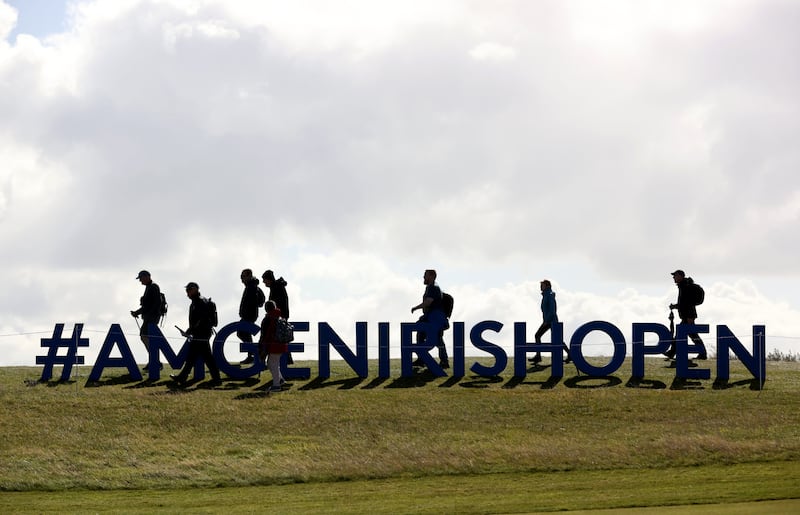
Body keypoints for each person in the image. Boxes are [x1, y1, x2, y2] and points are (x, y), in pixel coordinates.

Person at [170, 282, 221, 386]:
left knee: (205, 358)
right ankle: (183, 377)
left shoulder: (199, 302)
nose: (187, 293)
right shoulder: (197, 301)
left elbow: (201, 320)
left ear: (195, 289)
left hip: (201, 334)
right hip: (202, 333)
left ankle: (216, 380)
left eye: (189, 291)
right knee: (195, 357)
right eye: (187, 291)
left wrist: (190, 331)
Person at [411, 269, 450, 369]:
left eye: (425, 275)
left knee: (437, 339)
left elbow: (428, 302)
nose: (423, 277)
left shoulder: (433, 287)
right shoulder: (430, 287)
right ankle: (422, 358)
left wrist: (416, 307)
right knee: (422, 334)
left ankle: (443, 361)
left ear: (431, 276)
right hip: (430, 318)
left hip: (434, 318)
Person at [665, 270, 708, 360]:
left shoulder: (685, 286)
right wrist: (675, 306)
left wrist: (689, 317)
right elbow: (684, 303)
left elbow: (686, 303)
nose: (674, 278)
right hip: (687, 315)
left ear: (680, 276)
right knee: (690, 334)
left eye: (675, 276)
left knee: (689, 334)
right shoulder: (683, 286)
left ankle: (702, 353)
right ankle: (673, 352)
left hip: (688, 316)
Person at [530, 279, 571, 364]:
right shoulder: (546, 295)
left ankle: (538, 356)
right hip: (549, 321)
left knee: (538, 335)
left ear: (547, 286)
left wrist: (546, 321)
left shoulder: (549, 295)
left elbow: (552, 310)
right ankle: (570, 354)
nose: (540, 286)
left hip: (551, 321)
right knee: (557, 339)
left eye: (542, 285)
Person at [130, 270, 162, 368]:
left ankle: (155, 361)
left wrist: (138, 312)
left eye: (140, 278)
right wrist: (138, 312)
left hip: (151, 318)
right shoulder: (149, 287)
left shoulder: (153, 287)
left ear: (146, 277)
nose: (140, 281)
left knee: (145, 336)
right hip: (149, 317)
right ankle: (154, 360)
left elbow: (153, 304)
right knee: (146, 337)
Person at [263, 270, 293, 364]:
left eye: (265, 280)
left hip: (278, 317)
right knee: (281, 338)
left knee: (279, 338)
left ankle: (286, 359)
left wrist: (275, 315)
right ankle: (287, 359)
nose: (264, 282)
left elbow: (279, 304)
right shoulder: (277, 287)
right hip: (280, 316)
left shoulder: (276, 288)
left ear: (269, 279)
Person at [238, 269, 265, 365]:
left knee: (241, 333)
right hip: (249, 314)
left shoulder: (252, 286)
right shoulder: (251, 286)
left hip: (249, 315)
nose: (242, 279)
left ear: (249, 276)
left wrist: (251, 308)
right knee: (243, 333)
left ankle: (253, 353)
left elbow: (261, 300)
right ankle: (252, 354)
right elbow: (261, 300)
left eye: (243, 276)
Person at [259, 300, 287, 393]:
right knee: (271, 364)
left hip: (273, 344)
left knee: (273, 364)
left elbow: (265, 334)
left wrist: (262, 346)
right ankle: (280, 379)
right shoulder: (279, 317)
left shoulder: (268, 318)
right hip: (281, 344)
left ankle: (276, 385)